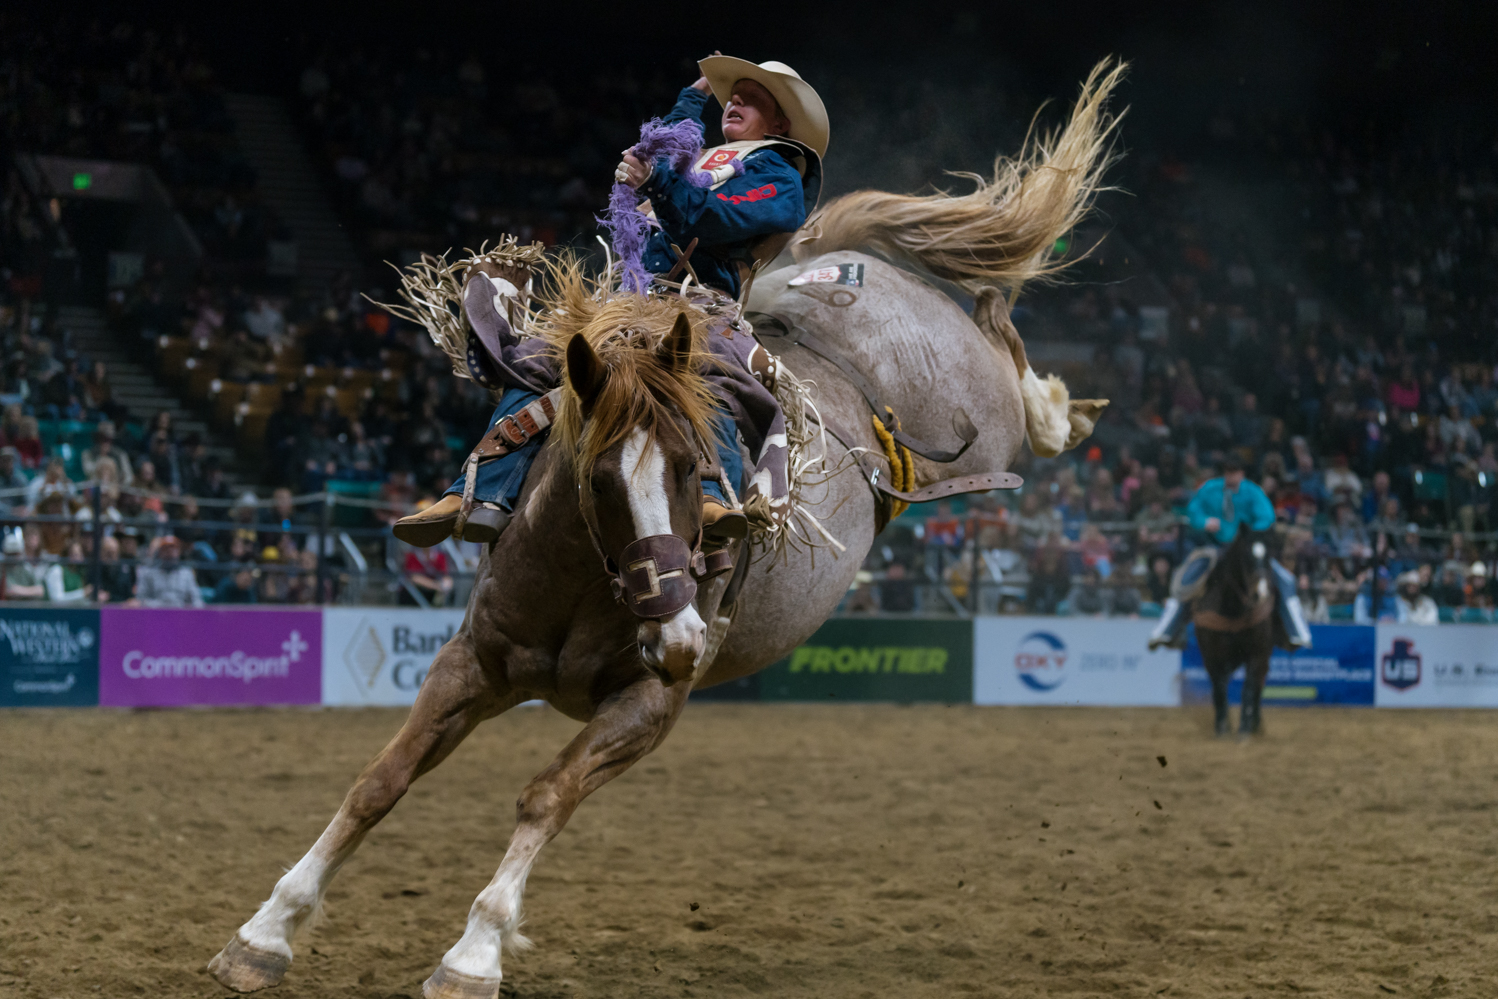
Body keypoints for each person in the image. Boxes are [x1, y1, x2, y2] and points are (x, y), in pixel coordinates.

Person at [392, 54, 828, 549]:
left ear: (780, 124)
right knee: (540, 357)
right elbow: (664, 150)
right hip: (628, 301)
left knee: (712, 370)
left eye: (753, 100)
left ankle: (714, 491)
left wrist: (656, 182)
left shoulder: (779, 174)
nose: (736, 101)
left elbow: (711, 220)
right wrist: (693, 99)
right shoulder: (708, 159)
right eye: (734, 94)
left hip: (700, 305)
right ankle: (481, 490)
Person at [1148, 455, 1312, 650]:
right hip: (1215, 548)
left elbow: (1266, 517)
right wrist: (1204, 522)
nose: (1230, 476)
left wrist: (1249, 532)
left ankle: (1298, 632)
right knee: (1185, 580)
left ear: (1241, 473)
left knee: (1284, 579)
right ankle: (1165, 630)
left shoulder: (1252, 492)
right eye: (1227, 472)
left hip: (1247, 548)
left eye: (1234, 472)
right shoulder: (1210, 488)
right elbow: (1193, 510)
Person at [134, 535, 205, 608]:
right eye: (166, 549)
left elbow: (197, 601)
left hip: (181, 615)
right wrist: (161, 605)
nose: (170, 552)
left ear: (179, 552)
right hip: (155, 614)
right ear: (160, 553)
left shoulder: (187, 574)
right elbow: (140, 600)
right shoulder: (148, 574)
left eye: (173, 549)